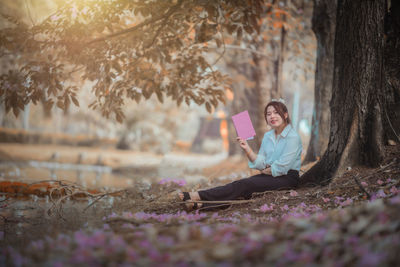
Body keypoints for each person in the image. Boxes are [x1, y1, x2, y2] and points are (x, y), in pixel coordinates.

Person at [179, 99, 302, 210]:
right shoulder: (268, 136)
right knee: (240, 187)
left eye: (276, 112)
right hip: (270, 175)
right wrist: (247, 148)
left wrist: (264, 170)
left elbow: (282, 167)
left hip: (287, 178)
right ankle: (200, 205)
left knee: (244, 184)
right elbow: (261, 162)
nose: (272, 116)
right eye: (268, 114)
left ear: (285, 115)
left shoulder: (293, 137)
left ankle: (198, 196)